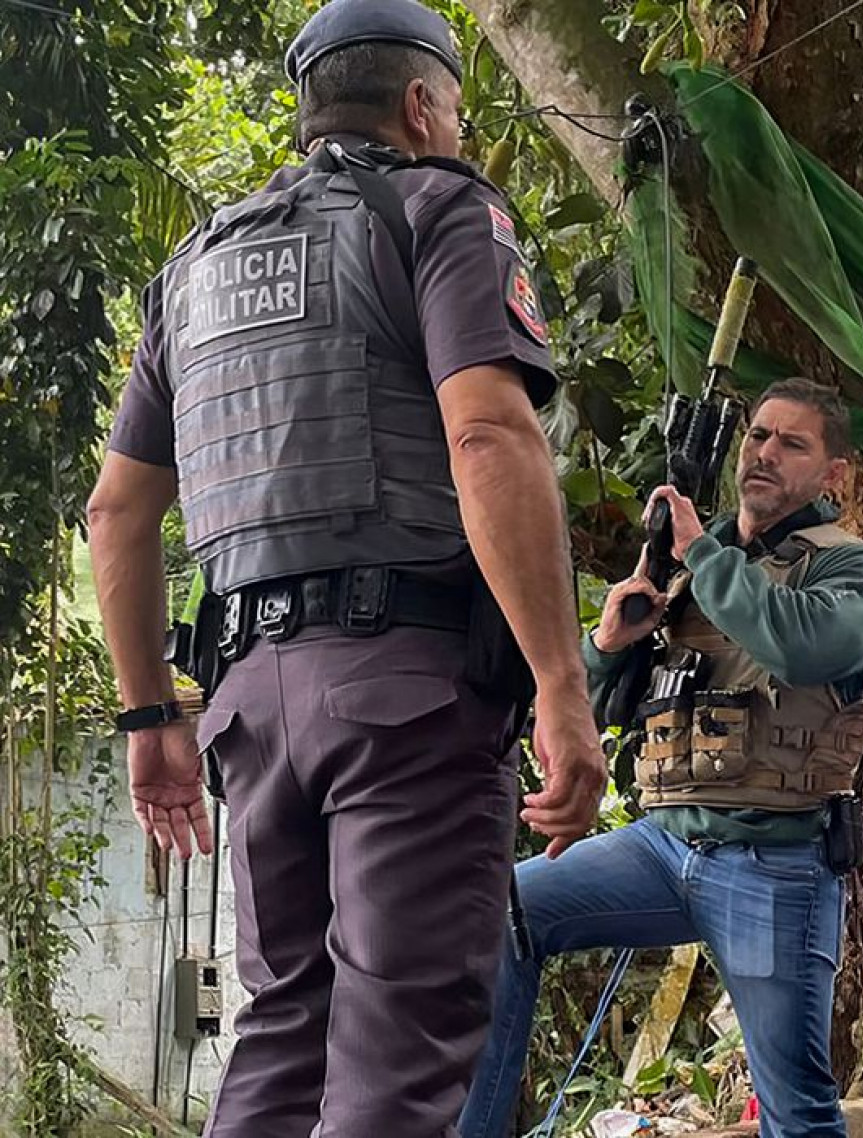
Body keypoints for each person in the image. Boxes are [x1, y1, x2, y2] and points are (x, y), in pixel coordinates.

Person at [84, 0, 607, 1131]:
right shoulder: (438, 208)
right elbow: (487, 435)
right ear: (423, 105)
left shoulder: (197, 266)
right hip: (405, 697)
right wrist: (563, 685)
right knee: (400, 1052)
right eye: (457, 110)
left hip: (247, 714)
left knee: (280, 1033)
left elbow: (117, 512)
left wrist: (146, 720)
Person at [460, 379, 863, 1138]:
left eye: (792, 444)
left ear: (833, 474)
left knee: (796, 1110)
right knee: (503, 912)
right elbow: (592, 713)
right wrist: (606, 645)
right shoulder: (692, 569)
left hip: (774, 863)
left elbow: (801, 645)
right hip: (661, 847)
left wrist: (698, 548)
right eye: (758, 436)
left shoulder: (854, 570)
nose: (764, 454)